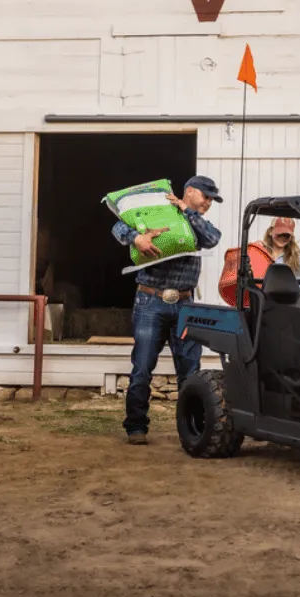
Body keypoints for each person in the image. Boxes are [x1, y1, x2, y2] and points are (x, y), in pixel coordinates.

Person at [111, 175, 223, 444]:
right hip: (151, 301)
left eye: (211, 200)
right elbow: (117, 226)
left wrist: (188, 211)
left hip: (185, 303)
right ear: (190, 191)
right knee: (142, 367)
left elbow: (212, 239)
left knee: (190, 372)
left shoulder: (196, 222)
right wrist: (136, 238)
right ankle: (136, 427)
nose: (208, 203)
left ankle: (192, 429)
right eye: (205, 196)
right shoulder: (157, 209)